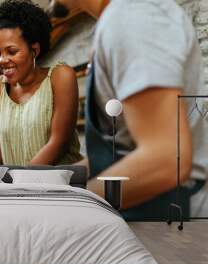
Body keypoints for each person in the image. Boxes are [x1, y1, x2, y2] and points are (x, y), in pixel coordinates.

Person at [48, 0, 208, 219]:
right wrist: (54, 181)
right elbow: (119, 150)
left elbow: (166, 160)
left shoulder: (132, 17)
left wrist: (64, 205)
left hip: (166, 220)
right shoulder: (119, 18)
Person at [0, 0, 83, 166]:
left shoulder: (61, 76)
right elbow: (2, 143)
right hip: (17, 187)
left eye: (12, 51)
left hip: (61, 186)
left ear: (34, 50)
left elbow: (58, 143)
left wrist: (20, 180)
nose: (2, 60)